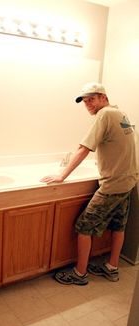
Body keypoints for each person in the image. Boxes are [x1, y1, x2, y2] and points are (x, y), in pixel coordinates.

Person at [41, 82, 138, 286]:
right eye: (85, 101)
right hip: (128, 182)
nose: (88, 104)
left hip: (113, 185)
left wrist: (62, 175)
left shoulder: (104, 115)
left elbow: (84, 148)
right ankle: (112, 268)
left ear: (103, 97)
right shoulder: (121, 114)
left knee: (84, 226)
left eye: (91, 99)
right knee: (118, 226)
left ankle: (80, 273)